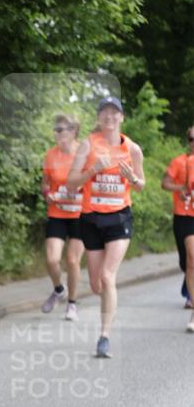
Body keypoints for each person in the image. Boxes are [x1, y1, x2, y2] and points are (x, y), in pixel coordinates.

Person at [67, 97, 145, 358]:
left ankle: (104, 337)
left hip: (119, 218)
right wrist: (92, 171)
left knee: (107, 277)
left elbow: (140, 184)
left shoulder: (132, 149)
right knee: (95, 284)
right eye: (105, 113)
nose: (109, 117)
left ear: (122, 117)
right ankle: (108, 302)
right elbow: (70, 184)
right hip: (90, 219)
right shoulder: (88, 145)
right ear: (99, 118)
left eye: (115, 113)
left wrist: (131, 177)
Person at [40, 114, 85, 321]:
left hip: (80, 213)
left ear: (73, 131)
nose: (57, 134)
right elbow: (45, 183)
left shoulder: (83, 153)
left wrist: (80, 189)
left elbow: (92, 180)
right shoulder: (50, 156)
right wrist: (48, 193)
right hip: (58, 213)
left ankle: (72, 305)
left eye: (61, 130)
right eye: (55, 130)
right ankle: (59, 289)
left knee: (73, 260)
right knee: (51, 259)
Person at [161, 127, 194, 332]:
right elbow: (164, 183)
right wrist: (181, 189)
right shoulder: (179, 162)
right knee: (186, 261)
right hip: (183, 216)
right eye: (192, 138)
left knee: (192, 258)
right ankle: (188, 282)